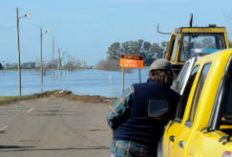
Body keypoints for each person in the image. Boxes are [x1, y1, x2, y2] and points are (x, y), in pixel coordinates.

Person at [107, 59, 179, 157]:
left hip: (123, 144)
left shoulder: (135, 89)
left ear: (151, 74)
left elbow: (112, 115)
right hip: (149, 147)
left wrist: (118, 130)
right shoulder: (174, 97)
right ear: (170, 75)